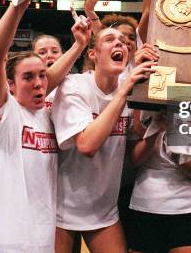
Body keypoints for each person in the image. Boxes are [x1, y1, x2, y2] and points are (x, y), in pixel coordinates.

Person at [0, 0, 91, 253]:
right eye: (27, 77)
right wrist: (19, 3)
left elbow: (52, 78)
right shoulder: (2, 113)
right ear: (9, 85)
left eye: (41, 76)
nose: (38, 83)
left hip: (40, 238)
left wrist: (79, 45)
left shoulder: (47, 115)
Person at [52, 26, 155, 253]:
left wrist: (158, 125)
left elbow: (133, 155)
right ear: (93, 54)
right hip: (61, 207)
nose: (119, 43)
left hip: (103, 209)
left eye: (123, 41)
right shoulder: (74, 86)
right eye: (109, 39)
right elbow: (87, 145)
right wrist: (124, 90)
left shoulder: (130, 89)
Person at [128, 112, 191, 253]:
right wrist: (155, 127)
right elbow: (135, 159)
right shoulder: (144, 104)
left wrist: (172, 139)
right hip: (145, 205)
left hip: (189, 208)